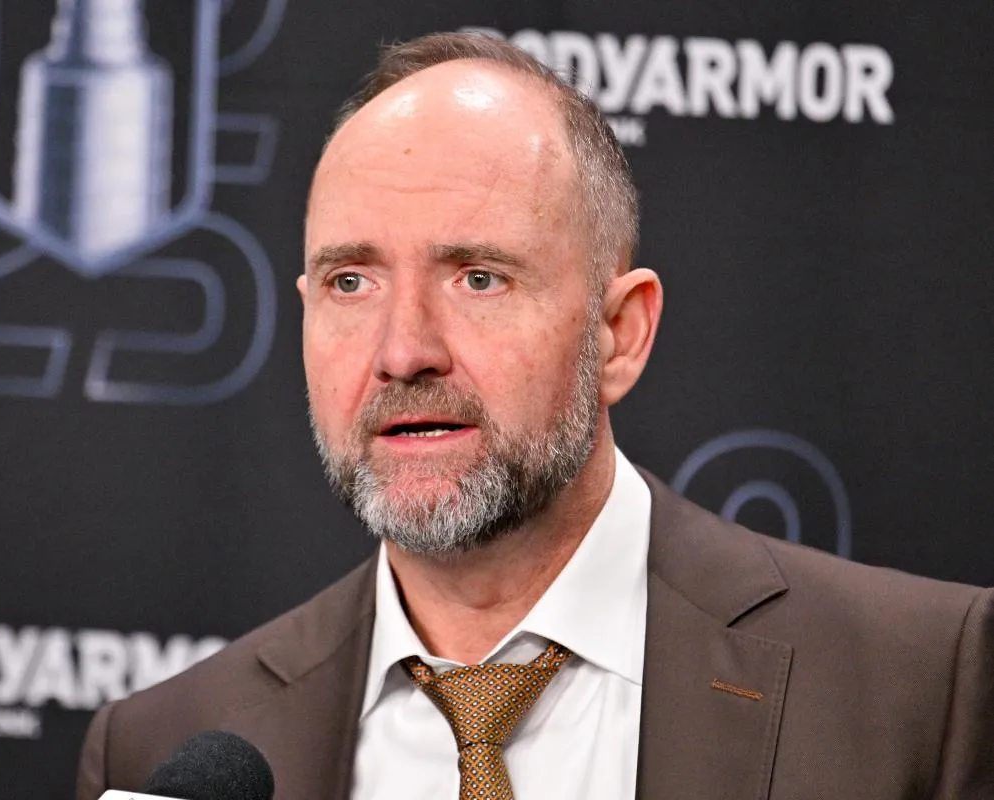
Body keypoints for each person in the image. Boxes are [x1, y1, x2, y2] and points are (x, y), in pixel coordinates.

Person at [75, 32, 993, 800]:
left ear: (619, 334)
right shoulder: (164, 746)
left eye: (478, 277)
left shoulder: (923, 688)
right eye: (352, 282)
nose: (403, 351)